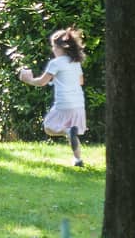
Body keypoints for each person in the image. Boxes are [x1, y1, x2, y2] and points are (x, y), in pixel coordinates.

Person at [18, 27, 87, 167]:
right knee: (72, 132)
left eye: (53, 46)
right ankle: (78, 160)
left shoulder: (55, 63)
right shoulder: (75, 62)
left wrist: (28, 80)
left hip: (64, 103)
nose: (53, 49)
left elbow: (42, 82)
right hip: (79, 103)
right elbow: (80, 81)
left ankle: (68, 131)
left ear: (60, 47)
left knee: (48, 127)